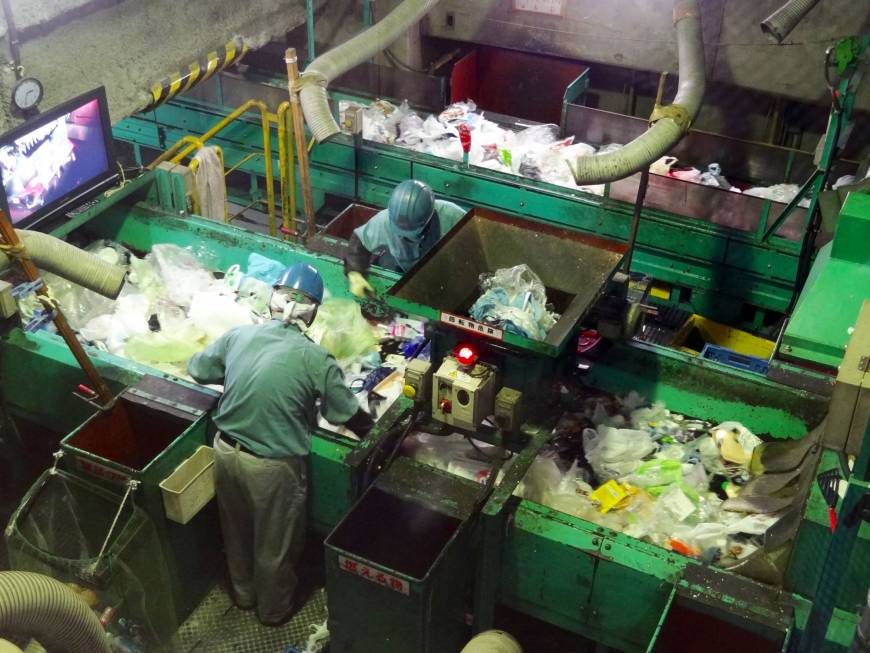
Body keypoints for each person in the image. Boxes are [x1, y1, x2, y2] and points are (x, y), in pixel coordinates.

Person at [187, 262, 374, 626]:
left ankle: (243, 596)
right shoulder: (316, 358)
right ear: (313, 311)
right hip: (272, 467)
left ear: (273, 299)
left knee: (236, 532)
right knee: (274, 546)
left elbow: (198, 369)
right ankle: (272, 613)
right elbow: (342, 413)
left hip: (225, 451)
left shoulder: (239, 336)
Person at [345, 179, 466, 297]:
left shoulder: (453, 216)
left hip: (447, 276)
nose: (405, 236)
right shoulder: (385, 221)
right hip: (409, 274)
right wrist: (355, 272)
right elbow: (359, 241)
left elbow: (478, 248)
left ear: (429, 216)